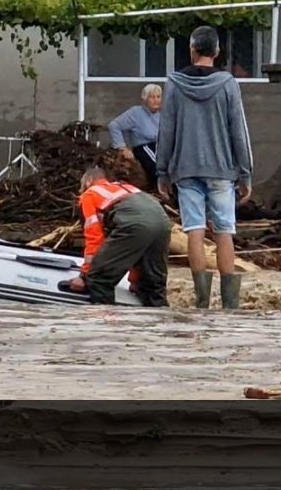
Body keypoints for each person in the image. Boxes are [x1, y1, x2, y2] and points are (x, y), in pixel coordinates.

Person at [155, 26, 253, 310]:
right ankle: (230, 305)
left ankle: (201, 304)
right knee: (224, 231)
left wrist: (162, 171)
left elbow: (166, 130)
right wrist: (245, 172)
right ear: (217, 52)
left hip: (185, 169)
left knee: (194, 231)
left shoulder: (174, 83)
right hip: (222, 169)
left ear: (192, 50)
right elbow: (239, 131)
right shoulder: (228, 84)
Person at [60, 166, 170, 306]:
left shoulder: (89, 195)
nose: (80, 191)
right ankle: (160, 322)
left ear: (88, 181)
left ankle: (105, 324)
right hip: (163, 221)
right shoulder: (126, 188)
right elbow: (134, 248)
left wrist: (85, 275)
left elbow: (94, 238)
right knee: (153, 286)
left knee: (99, 279)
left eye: (82, 186)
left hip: (135, 224)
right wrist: (135, 279)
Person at [108, 84, 162, 187]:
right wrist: (122, 147)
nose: (156, 100)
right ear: (145, 99)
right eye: (152, 97)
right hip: (144, 147)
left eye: (158, 97)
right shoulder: (136, 113)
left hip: (160, 147)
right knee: (158, 168)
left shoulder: (161, 115)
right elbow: (114, 125)